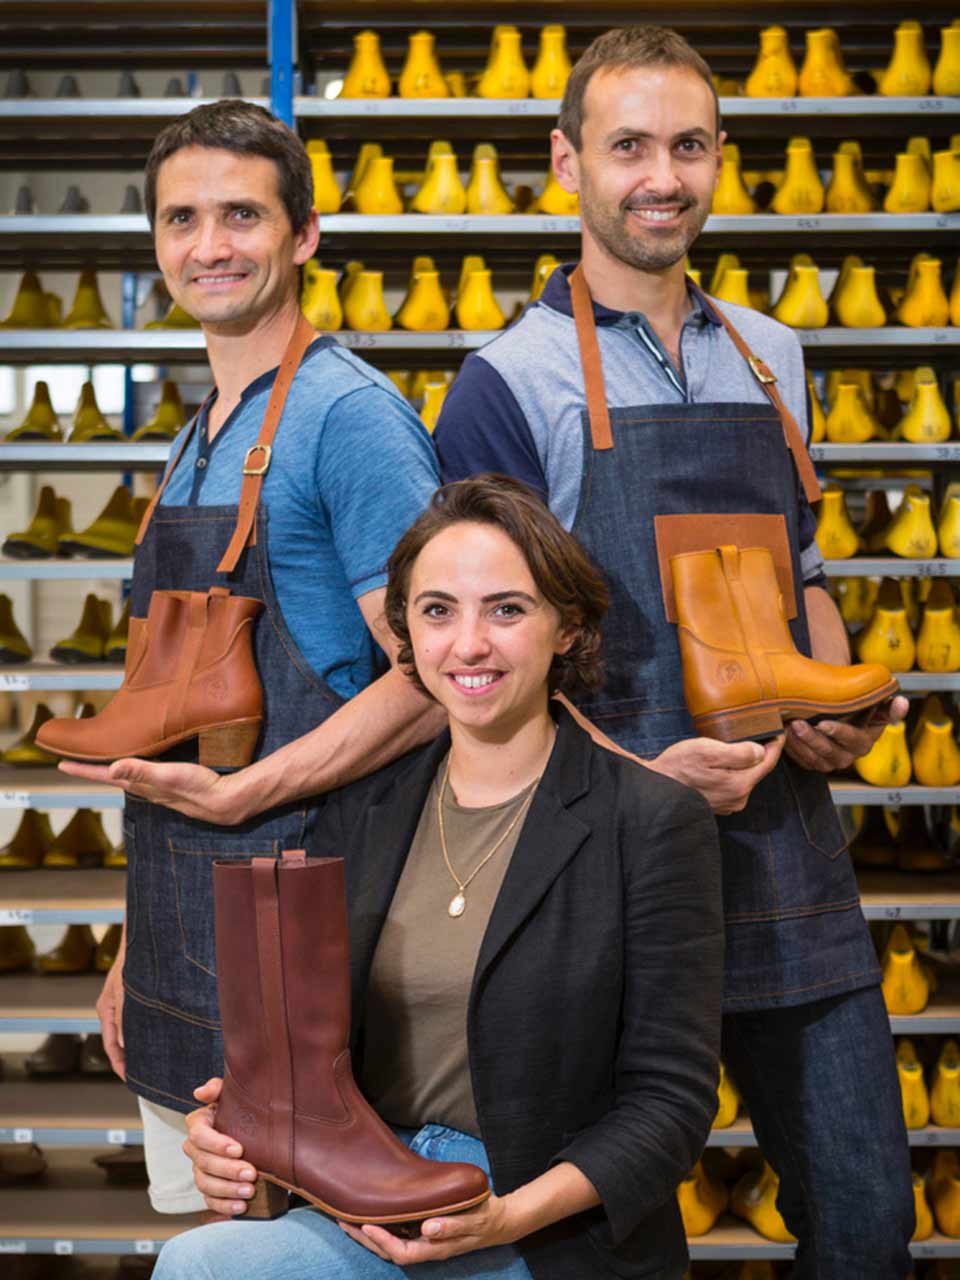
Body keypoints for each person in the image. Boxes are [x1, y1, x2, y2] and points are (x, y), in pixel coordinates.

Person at [432, 26, 914, 1277]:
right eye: (629, 144)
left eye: (689, 145)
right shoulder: (503, 379)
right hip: (599, 862)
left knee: (867, 1222)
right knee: (611, 1237)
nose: (663, 174)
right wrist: (641, 769)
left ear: (717, 161)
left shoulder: (775, 354)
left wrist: (835, 697)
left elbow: (800, 577)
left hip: (781, 840)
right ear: (566, 163)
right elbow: (481, 663)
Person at [150, 473, 725, 1280]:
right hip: (371, 1191)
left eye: (507, 609)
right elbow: (310, 1058)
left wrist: (503, 1217)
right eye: (437, 611)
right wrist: (247, 1140)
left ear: (566, 627)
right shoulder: (367, 808)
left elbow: (672, 1106)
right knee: (200, 1265)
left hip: (539, 1220)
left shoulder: (651, 821)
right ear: (408, 635)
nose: (469, 645)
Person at [63, 98, 445, 1216]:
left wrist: (248, 793)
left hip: (300, 945)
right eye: (182, 219)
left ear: (304, 235)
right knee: (206, 1244)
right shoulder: (201, 431)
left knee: (293, 1251)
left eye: (241, 213)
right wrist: (137, 941)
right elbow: (168, 714)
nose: (210, 245)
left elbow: (438, 682)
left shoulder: (350, 418)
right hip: (184, 932)